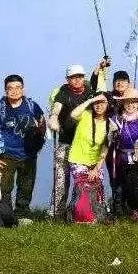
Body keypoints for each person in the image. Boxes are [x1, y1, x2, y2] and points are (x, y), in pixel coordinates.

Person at [48, 63, 104, 220]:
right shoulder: (63, 92)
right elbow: (57, 108)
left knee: (82, 180)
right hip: (66, 141)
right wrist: (53, 118)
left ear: (83, 77)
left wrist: (99, 68)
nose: (77, 80)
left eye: (80, 76)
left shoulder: (90, 91)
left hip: (84, 145)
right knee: (61, 178)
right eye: (73, 77)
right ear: (67, 79)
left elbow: (97, 84)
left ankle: (77, 211)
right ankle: (57, 214)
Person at [0, 74, 45, 222]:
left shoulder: (32, 106)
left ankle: (22, 215)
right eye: (10, 88)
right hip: (6, 154)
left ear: (23, 89)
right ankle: (6, 217)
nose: (14, 91)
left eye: (18, 87)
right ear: (5, 90)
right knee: (4, 188)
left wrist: (39, 141)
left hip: (29, 153)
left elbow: (42, 123)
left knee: (26, 186)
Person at [67, 92, 115, 223]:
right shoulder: (86, 114)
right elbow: (73, 114)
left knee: (98, 188)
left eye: (103, 102)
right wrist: (91, 100)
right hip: (77, 159)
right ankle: (80, 216)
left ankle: (98, 215)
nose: (99, 105)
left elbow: (105, 148)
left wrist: (96, 168)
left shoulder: (110, 123)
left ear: (108, 104)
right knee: (84, 188)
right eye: (96, 103)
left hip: (95, 162)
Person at [107, 88, 138, 221]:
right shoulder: (117, 119)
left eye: (133, 102)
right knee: (124, 183)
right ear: (123, 103)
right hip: (122, 155)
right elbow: (110, 140)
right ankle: (125, 209)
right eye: (127, 102)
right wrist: (112, 133)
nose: (130, 105)